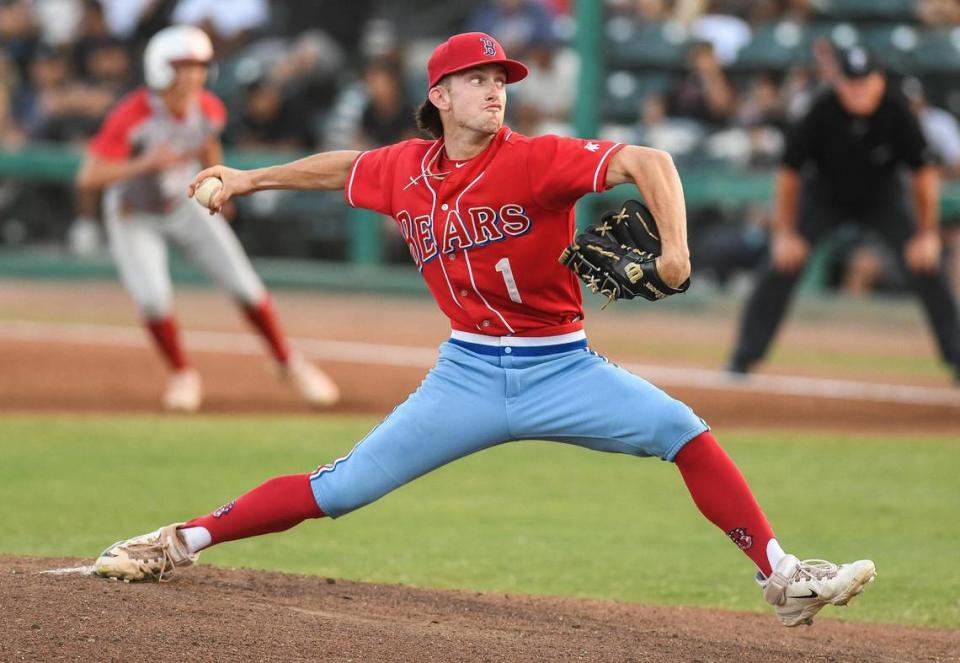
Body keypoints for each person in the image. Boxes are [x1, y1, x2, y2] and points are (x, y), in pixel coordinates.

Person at [93, 31, 876, 628]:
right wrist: (250, 177)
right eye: (476, 79)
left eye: (500, 78)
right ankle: (179, 540)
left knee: (681, 428)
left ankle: (782, 574)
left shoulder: (538, 161)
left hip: (563, 367)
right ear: (439, 95)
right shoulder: (405, 168)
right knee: (341, 488)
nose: (494, 89)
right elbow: (344, 167)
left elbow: (652, 160)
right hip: (465, 375)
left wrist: (675, 251)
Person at [75, 25, 339, 411]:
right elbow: (89, 177)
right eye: (183, 66)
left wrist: (221, 185)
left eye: (198, 66)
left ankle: (287, 362)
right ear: (160, 68)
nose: (193, 75)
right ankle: (183, 373)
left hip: (182, 202)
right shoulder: (132, 115)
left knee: (246, 286)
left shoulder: (209, 108)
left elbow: (207, 147)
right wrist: (144, 164)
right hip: (133, 213)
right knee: (152, 300)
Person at [727, 46, 960, 383]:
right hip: (825, 194)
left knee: (926, 265)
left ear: (879, 81)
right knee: (781, 264)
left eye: (865, 82)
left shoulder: (897, 110)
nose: (858, 90)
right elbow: (789, 173)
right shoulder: (821, 109)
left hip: (883, 196)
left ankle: (956, 357)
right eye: (851, 82)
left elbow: (923, 175)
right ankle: (743, 358)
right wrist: (785, 232)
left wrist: (926, 233)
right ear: (838, 82)